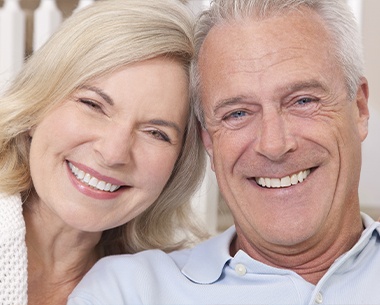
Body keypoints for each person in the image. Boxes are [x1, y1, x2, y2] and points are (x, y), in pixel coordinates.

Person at [68, 0, 380, 304]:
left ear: (359, 109)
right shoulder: (129, 291)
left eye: (303, 101)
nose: (273, 145)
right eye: (237, 114)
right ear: (208, 140)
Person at [0, 0, 207, 304]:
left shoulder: (166, 287)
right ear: (37, 106)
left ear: (178, 165)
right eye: (93, 105)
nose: (113, 153)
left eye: (155, 133)